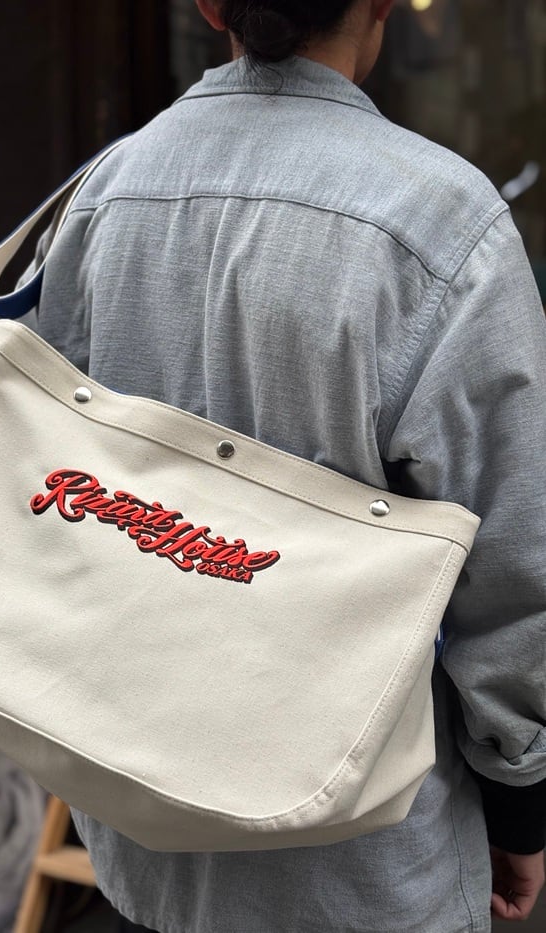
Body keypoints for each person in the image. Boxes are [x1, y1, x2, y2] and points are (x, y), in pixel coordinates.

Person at [27, 1, 546, 929]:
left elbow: (55, 470)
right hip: (366, 854)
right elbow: (513, 568)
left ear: (209, 5)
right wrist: (521, 798)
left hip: (143, 824)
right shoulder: (445, 224)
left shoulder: (103, 194)